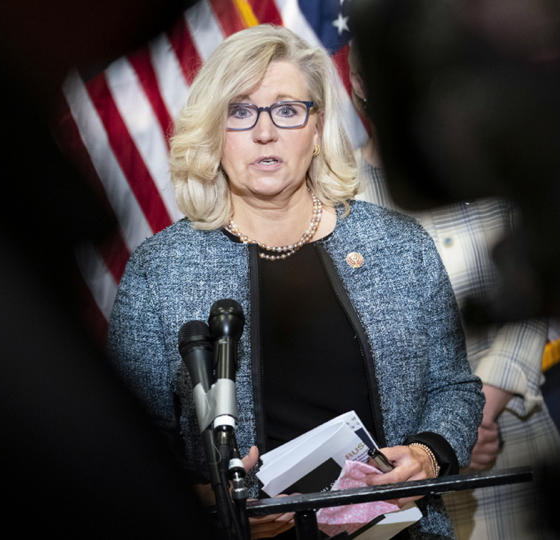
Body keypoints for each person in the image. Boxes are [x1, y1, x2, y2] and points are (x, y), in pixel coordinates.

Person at [106, 24, 485, 539]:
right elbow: (127, 447)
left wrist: (428, 454)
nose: (265, 133)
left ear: (317, 125)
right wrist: (217, 506)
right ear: (213, 130)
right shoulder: (160, 271)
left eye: (287, 110)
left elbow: (454, 388)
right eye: (240, 111)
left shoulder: (400, 246)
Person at [348, 41, 560, 539]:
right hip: (393, 470)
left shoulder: (492, 168)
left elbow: (538, 288)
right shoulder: (338, 196)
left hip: (508, 445)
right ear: (358, 81)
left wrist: (478, 415)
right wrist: (434, 442)